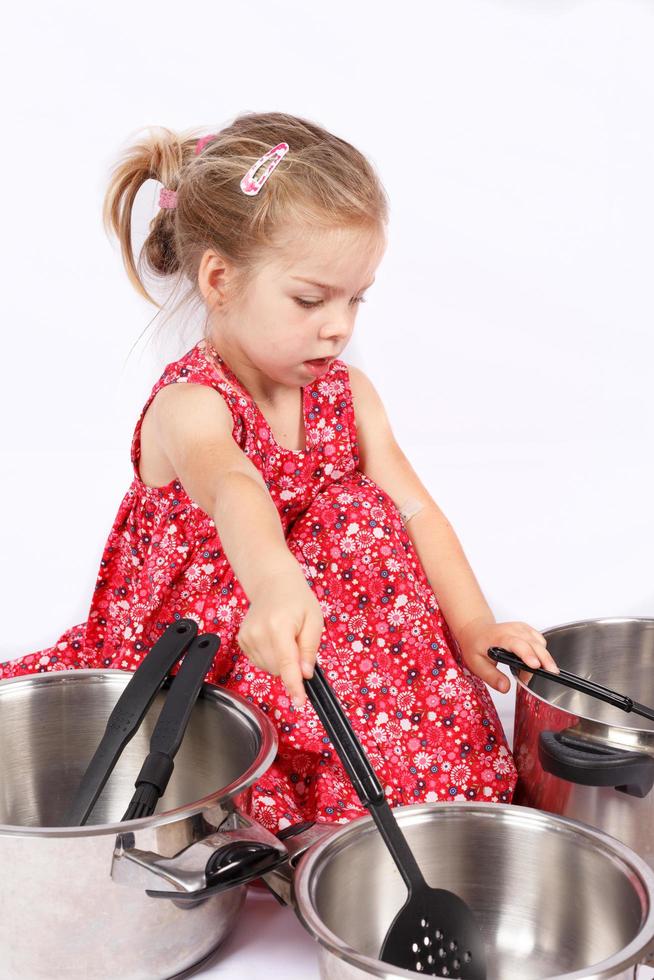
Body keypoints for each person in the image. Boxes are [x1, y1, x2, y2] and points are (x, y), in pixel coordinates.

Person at [0, 111, 559, 834]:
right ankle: (297, 800)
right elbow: (236, 489)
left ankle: (403, 789)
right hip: (220, 637)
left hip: (328, 639)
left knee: (361, 515)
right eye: (311, 299)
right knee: (323, 554)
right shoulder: (189, 407)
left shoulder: (347, 395)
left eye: (356, 298)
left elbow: (416, 511)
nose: (339, 326)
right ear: (220, 279)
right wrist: (275, 584)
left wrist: (472, 621)